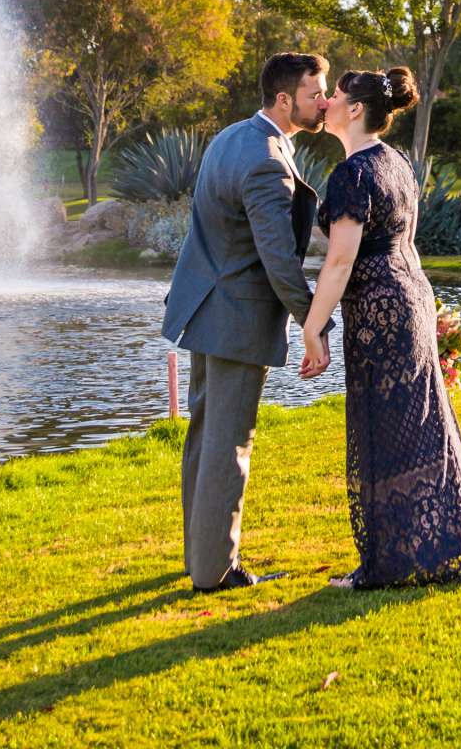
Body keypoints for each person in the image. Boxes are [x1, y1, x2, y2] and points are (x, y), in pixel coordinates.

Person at [298, 66, 461, 588]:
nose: (324, 102)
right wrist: (426, 308)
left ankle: (392, 561)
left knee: (384, 430)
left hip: (378, 311)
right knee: (421, 424)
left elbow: (339, 263)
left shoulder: (351, 174)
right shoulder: (394, 162)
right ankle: (433, 546)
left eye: (336, 97)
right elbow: (409, 243)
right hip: (410, 296)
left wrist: (311, 327)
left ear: (354, 110)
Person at [160, 51, 327, 591]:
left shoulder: (231, 137)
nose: (323, 102)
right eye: (314, 94)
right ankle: (214, 571)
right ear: (285, 100)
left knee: (206, 435)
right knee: (229, 443)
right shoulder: (264, 160)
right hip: (236, 319)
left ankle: (198, 555)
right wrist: (314, 323)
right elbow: (279, 259)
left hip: (205, 309)